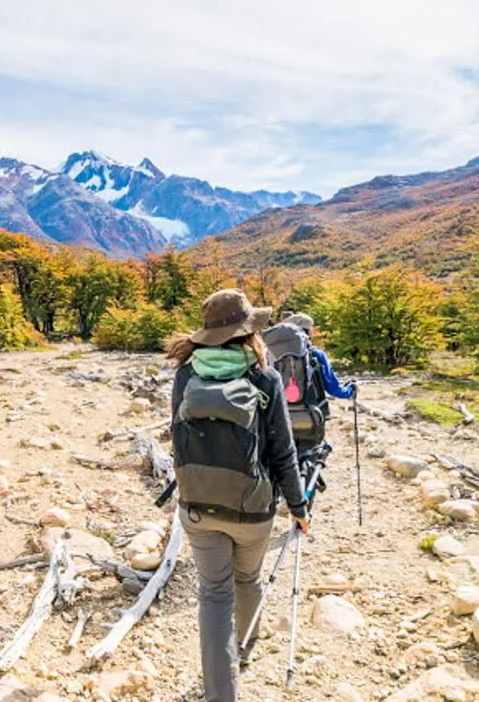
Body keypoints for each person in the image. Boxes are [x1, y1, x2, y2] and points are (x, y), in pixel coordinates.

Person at [166, 289, 308, 702]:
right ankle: (245, 647)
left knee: (213, 594)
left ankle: (220, 695)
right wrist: (298, 508)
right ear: (248, 332)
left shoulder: (186, 375)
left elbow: (177, 439)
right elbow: (284, 451)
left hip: (197, 506)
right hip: (252, 509)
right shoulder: (265, 378)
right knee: (248, 578)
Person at [283, 312, 355, 400]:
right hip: (310, 408)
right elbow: (333, 390)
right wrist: (351, 390)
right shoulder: (317, 355)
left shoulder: (274, 355)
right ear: (308, 332)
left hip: (280, 410)